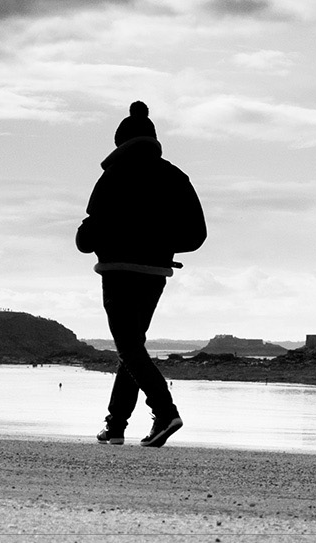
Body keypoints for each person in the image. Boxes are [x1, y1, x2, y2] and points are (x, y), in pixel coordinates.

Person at [75, 101, 206, 448]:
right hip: (154, 273)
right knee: (132, 347)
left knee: (129, 347)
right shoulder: (175, 176)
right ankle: (116, 425)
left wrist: (105, 235)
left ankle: (165, 411)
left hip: (117, 271)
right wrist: (161, 245)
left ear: (120, 142)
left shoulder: (112, 176)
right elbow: (197, 235)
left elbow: (86, 239)